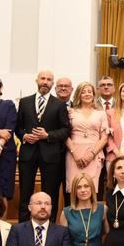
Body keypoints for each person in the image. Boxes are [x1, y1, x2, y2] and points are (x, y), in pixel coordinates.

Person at [15, 70, 71, 222]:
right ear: (37, 81)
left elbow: (66, 129)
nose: (45, 82)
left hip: (51, 155)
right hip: (28, 153)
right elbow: (18, 127)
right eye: (43, 79)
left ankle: (50, 228)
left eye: (49, 79)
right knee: (25, 192)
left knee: (50, 194)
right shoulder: (25, 102)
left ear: (53, 84)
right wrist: (24, 136)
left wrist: (48, 136)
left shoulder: (59, 105)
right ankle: (24, 227)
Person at [65, 82, 109, 198]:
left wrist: (91, 154)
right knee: (75, 190)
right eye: (83, 92)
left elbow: (104, 138)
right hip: (74, 154)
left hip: (94, 153)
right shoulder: (71, 112)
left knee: (92, 190)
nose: (87, 94)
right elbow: (65, 135)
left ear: (94, 95)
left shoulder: (101, 114)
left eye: (90, 91)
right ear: (78, 94)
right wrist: (75, 153)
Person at [59, 173, 104, 246]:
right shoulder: (66, 213)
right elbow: (63, 243)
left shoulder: (102, 209)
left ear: (92, 188)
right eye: (79, 187)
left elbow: (107, 234)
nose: (83, 190)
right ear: (74, 191)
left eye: (86, 186)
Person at [55, 77, 74, 206]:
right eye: (60, 86)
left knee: (71, 192)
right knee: (52, 192)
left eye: (66, 86)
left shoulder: (78, 106)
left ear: (72, 89)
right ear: (55, 89)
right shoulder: (47, 106)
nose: (63, 88)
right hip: (53, 155)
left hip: (75, 155)